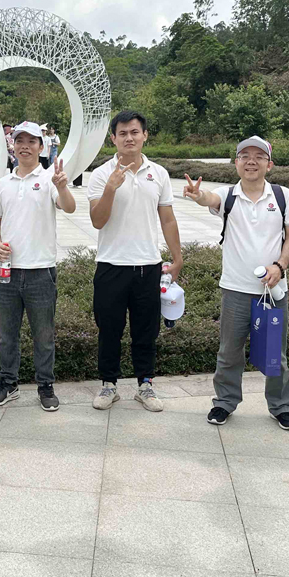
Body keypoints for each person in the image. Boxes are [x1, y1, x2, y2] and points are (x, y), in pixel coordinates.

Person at [183, 136, 289, 428]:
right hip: (235, 290)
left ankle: (280, 406)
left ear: (269, 165)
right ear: (236, 163)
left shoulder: (283, 196)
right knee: (229, 352)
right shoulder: (228, 196)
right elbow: (208, 198)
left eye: (259, 156)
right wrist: (198, 195)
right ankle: (224, 402)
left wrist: (280, 265)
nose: (251, 161)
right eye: (244, 156)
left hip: (272, 291)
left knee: (275, 354)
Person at [87, 110, 183, 412]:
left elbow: (167, 219)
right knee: (109, 330)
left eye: (135, 132)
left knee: (146, 331)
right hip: (111, 266)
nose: (129, 138)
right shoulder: (102, 174)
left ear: (145, 136)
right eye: (123, 133)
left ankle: (145, 385)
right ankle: (109, 385)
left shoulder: (159, 173)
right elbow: (97, 221)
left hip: (148, 266)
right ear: (113, 138)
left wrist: (177, 257)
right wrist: (111, 189)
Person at [0, 121, 76, 411]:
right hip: (8, 272)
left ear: (41, 146)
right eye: (19, 140)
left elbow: (69, 206)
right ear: (13, 145)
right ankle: (8, 383)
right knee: (7, 335)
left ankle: (45, 385)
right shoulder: (2, 183)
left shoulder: (50, 179)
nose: (24, 146)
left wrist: (63, 187)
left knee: (44, 335)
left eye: (31, 141)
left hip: (40, 271)